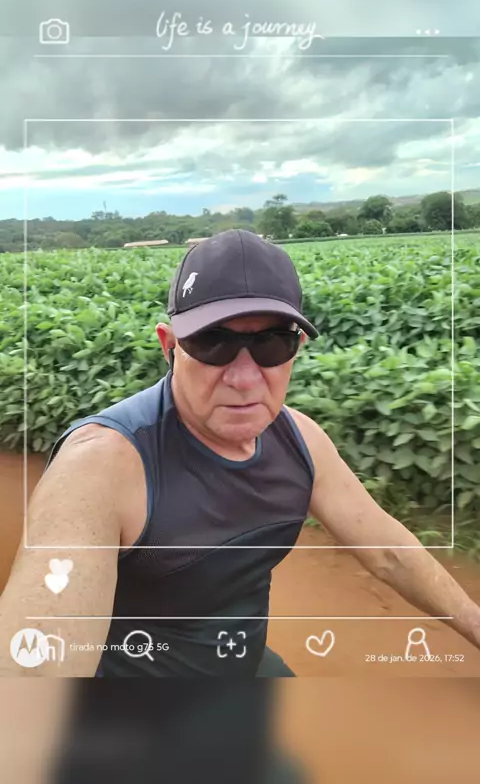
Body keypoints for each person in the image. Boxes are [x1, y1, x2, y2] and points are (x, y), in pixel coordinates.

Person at [1, 229, 479, 677]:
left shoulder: (300, 441)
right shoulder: (101, 466)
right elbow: (38, 658)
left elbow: (388, 552)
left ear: (297, 348)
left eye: (272, 343)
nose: (245, 379)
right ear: (170, 346)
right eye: (213, 342)